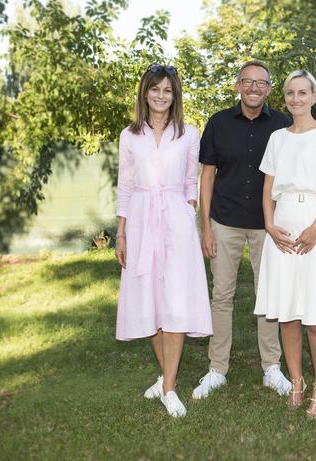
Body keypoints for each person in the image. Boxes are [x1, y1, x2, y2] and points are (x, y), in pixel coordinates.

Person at [254, 70, 316, 419]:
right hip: (282, 230)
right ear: (285, 98)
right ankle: (296, 381)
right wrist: (269, 224)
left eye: (303, 92)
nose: (296, 99)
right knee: (287, 313)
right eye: (290, 93)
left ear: (314, 96)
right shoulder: (277, 138)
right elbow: (267, 189)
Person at [115, 64, 213, 418]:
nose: (160, 95)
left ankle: (169, 387)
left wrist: (187, 213)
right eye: (154, 89)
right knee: (150, 304)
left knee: (174, 302)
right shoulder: (130, 135)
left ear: (175, 95)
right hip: (140, 221)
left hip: (176, 222)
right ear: (144, 92)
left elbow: (192, 182)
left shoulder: (188, 134)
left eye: (167, 90)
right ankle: (165, 374)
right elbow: (125, 186)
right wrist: (122, 232)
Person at [194, 61, 293, 399]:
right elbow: (206, 176)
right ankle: (217, 368)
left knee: (269, 296)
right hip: (224, 221)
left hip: (269, 225)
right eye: (247, 82)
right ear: (237, 86)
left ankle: (271, 367)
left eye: (261, 83)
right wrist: (205, 226)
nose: (254, 88)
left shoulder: (283, 125)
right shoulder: (218, 123)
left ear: (268, 88)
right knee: (221, 295)